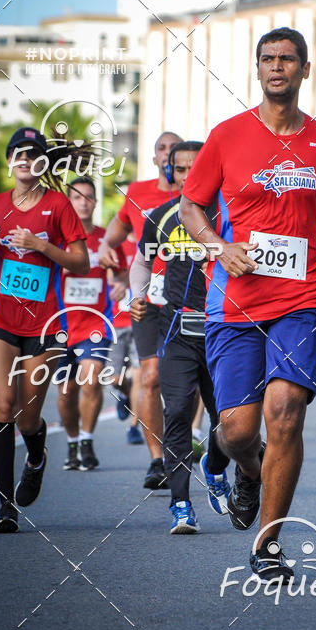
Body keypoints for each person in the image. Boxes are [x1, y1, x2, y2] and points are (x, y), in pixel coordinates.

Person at [181, 27, 316, 580]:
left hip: (303, 298)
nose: (277, 66)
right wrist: (219, 246)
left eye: (287, 59)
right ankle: (237, 464)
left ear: (305, 70)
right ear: (257, 70)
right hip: (235, 301)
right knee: (239, 430)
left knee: (285, 413)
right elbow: (192, 206)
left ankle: (267, 543)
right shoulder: (227, 136)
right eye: (267, 59)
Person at [0, 127, 89, 532]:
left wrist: (39, 244)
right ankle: (6, 506)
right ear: (10, 159)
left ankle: (37, 455)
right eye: (19, 152)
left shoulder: (58, 205)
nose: (25, 159)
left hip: (45, 323)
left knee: (27, 419)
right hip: (0, 318)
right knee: (1, 407)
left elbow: (80, 262)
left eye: (34, 154)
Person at [130, 142, 231, 533]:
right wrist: (137, 297)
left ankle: (217, 467)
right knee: (176, 411)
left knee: (229, 422)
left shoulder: (230, 214)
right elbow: (140, 263)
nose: (190, 175)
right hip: (177, 329)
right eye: (182, 169)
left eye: (196, 167)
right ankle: (181, 505)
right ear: (172, 173)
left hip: (224, 331)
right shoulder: (161, 216)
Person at [99, 131, 182, 489]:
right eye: (162, 148)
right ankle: (157, 461)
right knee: (149, 376)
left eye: (174, 151)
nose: (168, 155)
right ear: (155, 159)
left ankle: (206, 442)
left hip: (191, 298)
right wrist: (105, 246)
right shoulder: (137, 193)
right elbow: (115, 232)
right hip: (148, 297)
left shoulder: (198, 195)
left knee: (191, 384)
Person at [56, 178, 128, 470]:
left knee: (91, 380)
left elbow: (122, 273)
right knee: (65, 391)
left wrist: (120, 286)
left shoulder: (104, 239)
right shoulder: (56, 239)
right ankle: (72, 443)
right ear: (68, 203)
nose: (83, 202)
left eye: (88, 197)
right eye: (77, 197)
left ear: (95, 202)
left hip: (95, 324)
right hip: (59, 325)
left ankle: (86, 440)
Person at [109, 235, 144, 445]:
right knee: (114, 379)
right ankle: (127, 395)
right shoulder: (115, 244)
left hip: (141, 321)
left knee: (140, 374)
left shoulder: (148, 241)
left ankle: (134, 427)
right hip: (118, 322)